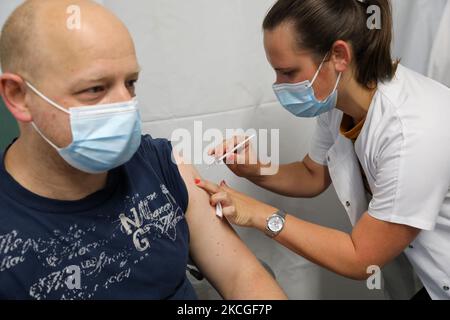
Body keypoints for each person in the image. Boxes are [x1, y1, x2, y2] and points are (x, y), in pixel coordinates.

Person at [0, 0, 287, 300]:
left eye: (130, 82)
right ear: (19, 96)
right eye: (95, 89)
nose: (125, 106)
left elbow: (243, 276)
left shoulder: (160, 164)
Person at [197, 0, 450, 300]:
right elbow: (312, 174)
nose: (279, 86)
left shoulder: (411, 130)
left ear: (339, 55)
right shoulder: (338, 102)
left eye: (288, 72)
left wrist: (259, 214)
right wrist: (256, 170)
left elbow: (360, 257)